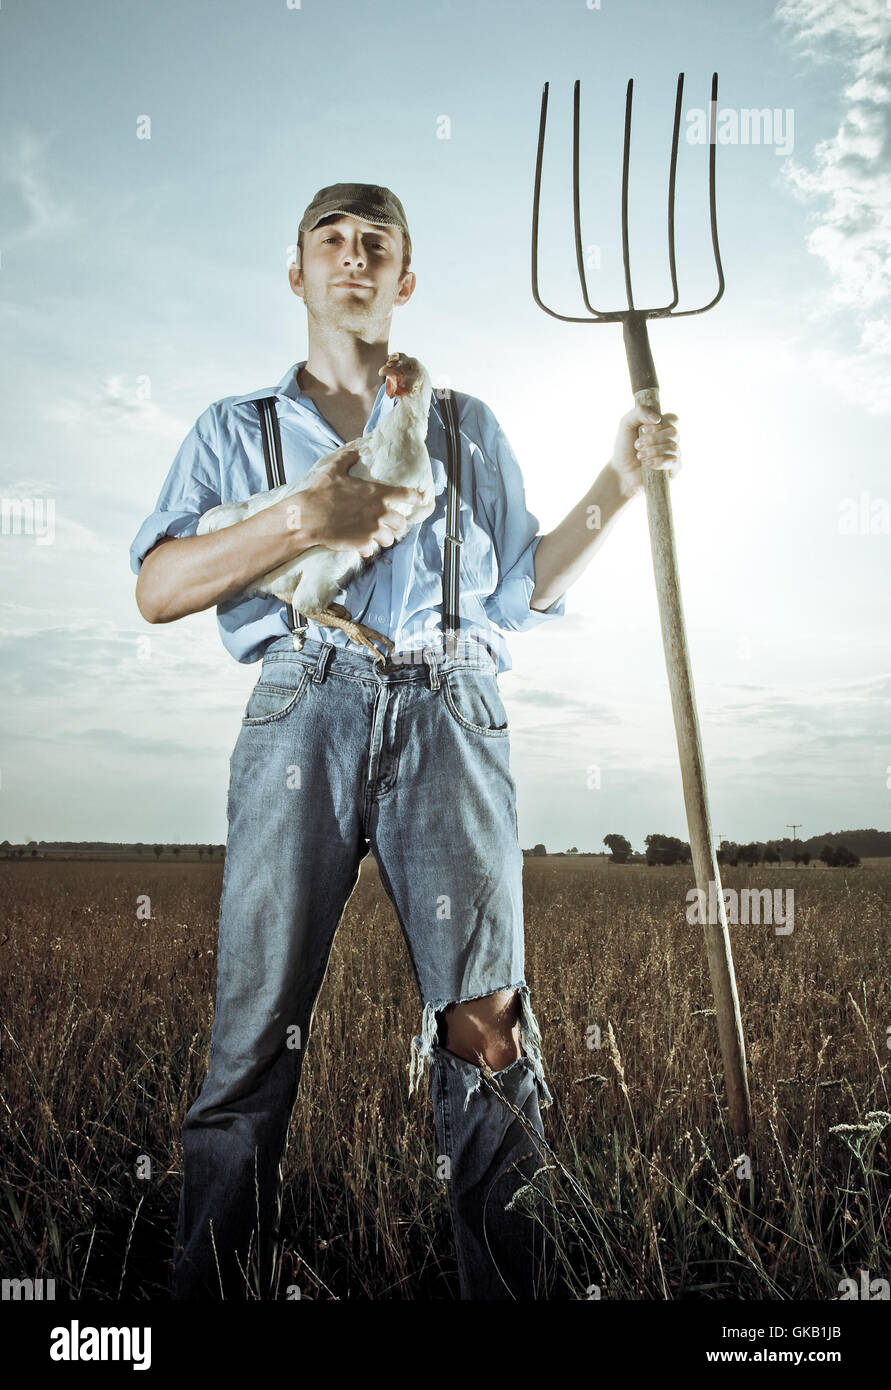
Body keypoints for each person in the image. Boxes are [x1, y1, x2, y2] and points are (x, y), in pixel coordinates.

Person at [130, 182, 680, 1301]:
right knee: (252, 1038)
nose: (353, 254)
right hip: (305, 704)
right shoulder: (234, 431)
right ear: (297, 273)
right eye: (330, 238)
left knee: (488, 1032)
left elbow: (521, 588)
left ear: (404, 279)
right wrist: (296, 520)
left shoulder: (466, 424)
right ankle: (209, 1288)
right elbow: (157, 584)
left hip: (451, 707)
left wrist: (621, 483)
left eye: (376, 241)